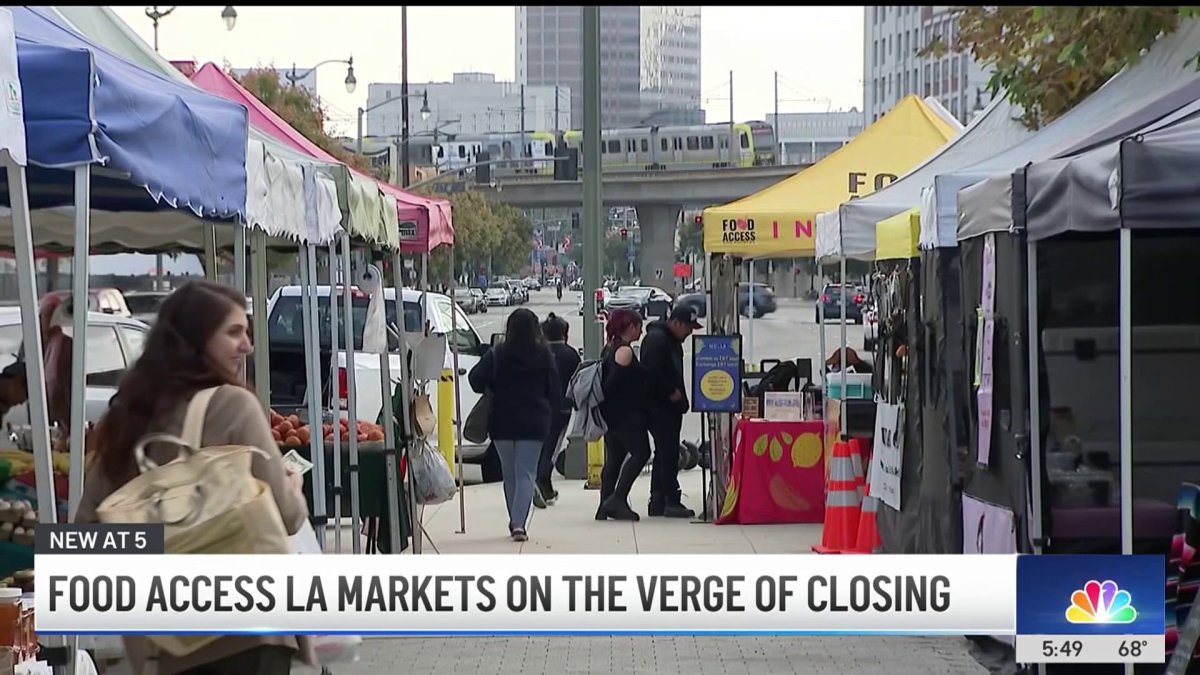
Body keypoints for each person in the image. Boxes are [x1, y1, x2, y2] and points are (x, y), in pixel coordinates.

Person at [74, 280, 311, 675]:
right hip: (248, 636)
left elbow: (85, 536)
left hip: (162, 645)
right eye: (234, 332)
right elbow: (288, 516)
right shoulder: (234, 406)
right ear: (197, 340)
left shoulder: (124, 422)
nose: (247, 345)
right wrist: (292, 489)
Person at [469, 308, 561, 542]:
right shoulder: (544, 355)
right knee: (527, 473)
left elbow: (475, 379)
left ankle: (515, 519)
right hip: (534, 420)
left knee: (509, 473)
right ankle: (518, 522)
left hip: (502, 419)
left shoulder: (497, 354)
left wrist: (492, 385)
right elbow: (555, 391)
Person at [639, 305, 702, 518]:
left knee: (664, 453)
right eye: (688, 327)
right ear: (675, 323)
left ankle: (658, 500)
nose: (690, 332)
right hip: (660, 407)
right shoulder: (658, 340)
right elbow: (650, 372)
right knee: (668, 453)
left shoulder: (670, 341)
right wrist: (670, 392)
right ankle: (669, 500)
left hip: (667, 407)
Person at [595, 308, 651, 522]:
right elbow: (613, 384)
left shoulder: (608, 348)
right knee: (641, 453)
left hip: (612, 417)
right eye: (639, 327)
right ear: (630, 327)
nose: (641, 331)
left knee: (615, 459)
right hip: (626, 414)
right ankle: (617, 499)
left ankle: (604, 504)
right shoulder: (624, 351)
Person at [534, 312, 580, 508]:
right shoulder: (570, 355)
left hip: (536, 406)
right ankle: (542, 480)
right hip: (560, 409)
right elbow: (578, 382)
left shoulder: (537, 353)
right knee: (552, 448)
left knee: (539, 445)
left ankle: (544, 483)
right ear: (565, 334)